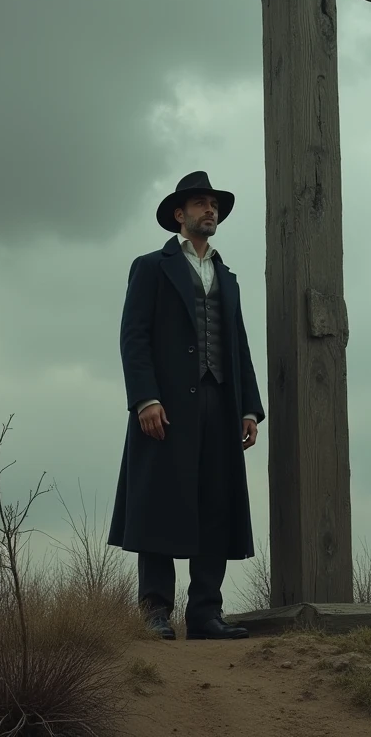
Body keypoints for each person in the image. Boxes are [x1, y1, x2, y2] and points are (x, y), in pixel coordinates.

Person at [108, 171, 265, 640]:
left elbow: (238, 344)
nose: (210, 210)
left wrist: (250, 409)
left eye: (213, 204)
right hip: (166, 405)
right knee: (159, 502)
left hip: (220, 401)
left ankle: (204, 614)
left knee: (215, 502)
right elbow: (133, 337)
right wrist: (145, 398)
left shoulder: (227, 276)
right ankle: (155, 613)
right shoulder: (152, 267)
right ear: (180, 214)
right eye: (200, 203)